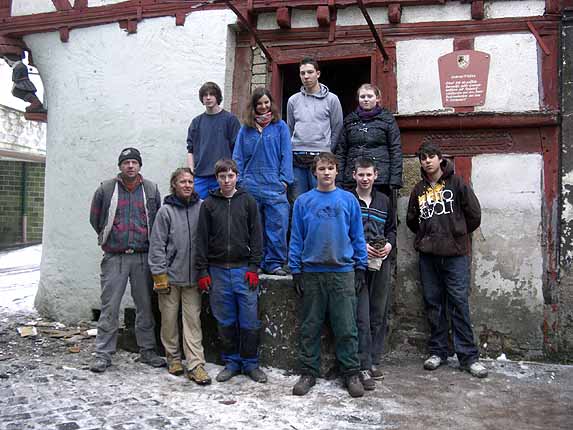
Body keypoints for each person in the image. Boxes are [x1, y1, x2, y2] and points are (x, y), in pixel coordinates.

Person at [289, 152, 368, 398]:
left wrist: (360, 267)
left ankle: (351, 373)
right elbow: (296, 237)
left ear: (337, 171)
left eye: (330, 168)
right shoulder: (303, 202)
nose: (326, 173)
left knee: (346, 326)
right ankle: (308, 372)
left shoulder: (348, 200)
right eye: (322, 168)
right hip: (312, 272)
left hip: (342, 272)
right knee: (310, 326)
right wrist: (295, 270)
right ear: (315, 172)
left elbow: (357, 235)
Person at [406, 142, 488, 378]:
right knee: (433, 304)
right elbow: (413, 220)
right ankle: (438, 351)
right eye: (422, 157)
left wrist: (456, 234)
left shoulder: (457, 183)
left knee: (459, 303)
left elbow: (474, 214)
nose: (427, 161)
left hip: (455, 256)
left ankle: (468, 357)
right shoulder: (419, 190)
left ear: (440, 159)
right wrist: (426, 237)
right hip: (428, 257)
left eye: (431, 156)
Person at [89, 147, 165, 373]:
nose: (130, 166)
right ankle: (103, 353)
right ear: (120, 166)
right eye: (126, 162)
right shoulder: (106, 189)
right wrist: (110, 237)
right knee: (109, 307)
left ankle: (148, 350)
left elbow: (157, 218)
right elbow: (96, 218)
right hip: (115, 257)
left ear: (139, 165)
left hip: (143, 256)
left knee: (145, 307)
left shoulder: (151, 189)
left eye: (134, 162)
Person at [195, 159, 267, 383]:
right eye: (222, 176)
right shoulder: (208, 204)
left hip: (243, 270)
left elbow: (257, 237)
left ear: (237, 176)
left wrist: (254, 267)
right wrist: (202, 271)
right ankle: (232, 362)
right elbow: (201, 240)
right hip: (217, 271)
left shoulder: (248, 201)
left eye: (230, 176)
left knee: (248, 319)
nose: (226, 181)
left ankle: (250, 363)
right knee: (225, 319)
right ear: (216, 179)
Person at [148, 168, 211, 385]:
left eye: (190, 182)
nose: (187, 185)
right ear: (174, 184)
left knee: (193, 321)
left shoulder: (201, 207)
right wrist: (159, 274)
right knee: (168, 320)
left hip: (193, 277)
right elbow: (157, 245)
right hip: (170, 276)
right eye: (182, 181)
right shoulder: (165, 212)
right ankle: (173, 358)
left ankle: (195, 364)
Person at [233, 87, 293, 276]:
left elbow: (286, 154)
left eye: (266, 102)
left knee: (278, 224)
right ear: (254, 106)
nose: (263, 106)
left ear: (271, 104)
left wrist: (284, 180)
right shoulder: (246, 129)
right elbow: (238, 156)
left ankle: (274, 262)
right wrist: (239, 180)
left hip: (274, 184)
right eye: (259, 103)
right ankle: (256, 262)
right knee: (254, 227)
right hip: (251, 184)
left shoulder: (280, 126)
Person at [351, 158, 396, 390]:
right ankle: (362, 362)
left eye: (369, 174)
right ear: (354, 175)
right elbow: (345, 231)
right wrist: (359, 246)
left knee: (378, 313)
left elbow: (392, 229)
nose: (365, 178)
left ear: (376, 175)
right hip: (358, 264)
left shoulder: (385, 201)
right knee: (361, 315)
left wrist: (389, 245)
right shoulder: (348, 200)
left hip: (381, 262)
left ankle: (374, 360)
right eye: (361, 174)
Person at [287, 57, 343, 200]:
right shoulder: (293, 100)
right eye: (302, 73)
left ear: (318, 74)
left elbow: (337, 127)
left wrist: (328, 149)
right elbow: (290, 127)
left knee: (321, 198)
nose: (306, 76)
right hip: (297, 157)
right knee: (298, 200)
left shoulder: (332, 99)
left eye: (310, 72)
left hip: (320, 157)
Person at [335, 83, 402, 196]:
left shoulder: (387, 120)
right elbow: (341, 152)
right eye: (362, 96)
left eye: (370, 96)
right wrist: (339, 179)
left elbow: (395, 149)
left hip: (380, 179)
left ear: (377, 98)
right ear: (358, 99)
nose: (366, 99)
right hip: (353, 178)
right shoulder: (349, 120)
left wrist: (395, 179)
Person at [186, 81, 241, 199]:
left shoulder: (230, 120)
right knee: (198, 211)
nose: (208, 97)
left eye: (211, 94)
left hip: (223, 176)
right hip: (200, 177)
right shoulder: (196, 122)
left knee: (222, 213)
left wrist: (233, 175)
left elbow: (238, 150)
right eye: (205, 95)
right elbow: (190, 150)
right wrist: (191, 173)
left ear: (218, 96)